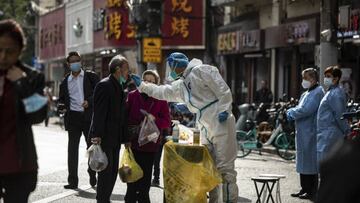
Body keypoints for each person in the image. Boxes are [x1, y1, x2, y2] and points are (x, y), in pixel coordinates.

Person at [131, 52, 239, 203]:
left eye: (171, 65)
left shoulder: (202, 70)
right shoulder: (181, 85)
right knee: (210, 169)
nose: (170, 69)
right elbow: (162, 92)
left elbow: (223, 89)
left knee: (225, 170)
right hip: (204, 124)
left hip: (219, 122)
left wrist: (224, 110)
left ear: (177, 63)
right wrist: (143, 86)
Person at [0, 19, 47, 202]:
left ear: (20, 51)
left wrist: (21, 83)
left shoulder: (33, 78)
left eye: (9, 51)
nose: (3, 57)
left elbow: (38, 115)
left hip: (20, 166)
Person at [89, 54, 130, 203]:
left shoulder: (120, 87)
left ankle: (105, 199)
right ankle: (102, 200)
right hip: (104, 137)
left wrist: (125, 138)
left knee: (113, 173)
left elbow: (122, 116)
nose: (128, 73)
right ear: (118, 69)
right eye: (127, 69)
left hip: (115, 137)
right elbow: (99, 113)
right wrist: (97, 135)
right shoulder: (104, 85)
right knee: (106, 173)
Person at [125, 70, 171, 202]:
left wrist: (154, 119)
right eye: (146, 81)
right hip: (133, 144)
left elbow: (167, 122)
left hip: (150, 146)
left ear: (156, 84)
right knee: (131, 185)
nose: (149, 84)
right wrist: (126, 139)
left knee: (144, 186)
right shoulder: (133, 96)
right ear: (141, 82)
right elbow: (125, 118)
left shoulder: (161, 99)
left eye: (152, 81)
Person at [59, 51, 100, 189]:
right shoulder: (65, 82)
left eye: (77, 60)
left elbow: (99, 94)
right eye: (72, 61)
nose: (75, 63)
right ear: (68, 64)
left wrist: (89, 101)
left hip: (89, 117)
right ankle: (72, 181)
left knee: (92, 148)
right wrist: (62, 106)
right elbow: (62, 99)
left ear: (81, 61)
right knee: (72, 150)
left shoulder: (90, 76)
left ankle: (92, 172)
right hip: (73, 118)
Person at [287, 68, 324, 200]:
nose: (304, 81)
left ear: (313, 79)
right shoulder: (306, 93)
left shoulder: (318, 92)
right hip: (303, 131)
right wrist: (293, 111)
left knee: (310, 162)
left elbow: (306, 110)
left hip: (310, 131)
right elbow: (300, 108)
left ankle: (312, 190)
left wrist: (291, 112)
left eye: (306, 78)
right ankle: (304, 188)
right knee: (303, 161)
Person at [317, 66, 350, 190]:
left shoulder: (336, 93)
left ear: (336, 79)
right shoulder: (330, 92)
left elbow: (340, 116)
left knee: (329, 170)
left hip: (331, 134)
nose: (326, 79)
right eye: (325, 76)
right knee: (325, 170)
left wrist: (347, 130)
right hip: (325, 134)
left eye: (329, 76)